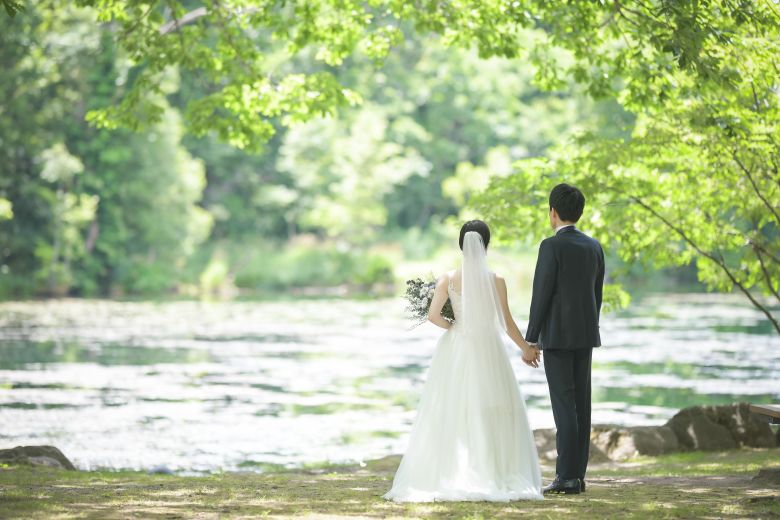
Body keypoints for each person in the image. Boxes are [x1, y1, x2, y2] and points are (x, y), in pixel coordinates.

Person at [383, 220, 543, 503]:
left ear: (461, 245)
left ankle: (453, 472)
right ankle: (493, 470)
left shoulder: (447, 279)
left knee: (451, 408)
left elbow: (433, 317)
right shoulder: (497, 280)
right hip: (488, 347)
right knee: (493, 406)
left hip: (457, 348)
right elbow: (506, 323)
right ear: (487, 245)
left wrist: (454, 328)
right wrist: (526, 348)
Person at [526, 183, 605, 495]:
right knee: (582, 407)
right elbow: (596, 295)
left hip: (557, 337)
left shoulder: (551, 246)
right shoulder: (594, 246)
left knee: (564, 407)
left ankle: (566, 478)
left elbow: (541, 295)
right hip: (586, 335)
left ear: (552, 213)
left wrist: (531, 339)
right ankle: (578, 476)